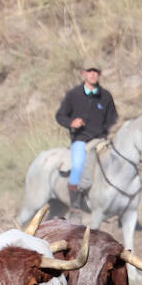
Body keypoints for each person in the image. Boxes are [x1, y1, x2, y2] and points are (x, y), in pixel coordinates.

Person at [55, 63, 118, 211]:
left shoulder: (106, 96)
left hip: (101, 140)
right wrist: (72, 122)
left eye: (96, 71)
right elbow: (60, 116)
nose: (93, 74)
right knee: (78, 166)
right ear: (84, 73)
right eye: (90, 71)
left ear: (99, 74)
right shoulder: (73, 94)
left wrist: (107, 132)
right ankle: (75, 204)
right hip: (81, 139)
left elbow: (113, 118)